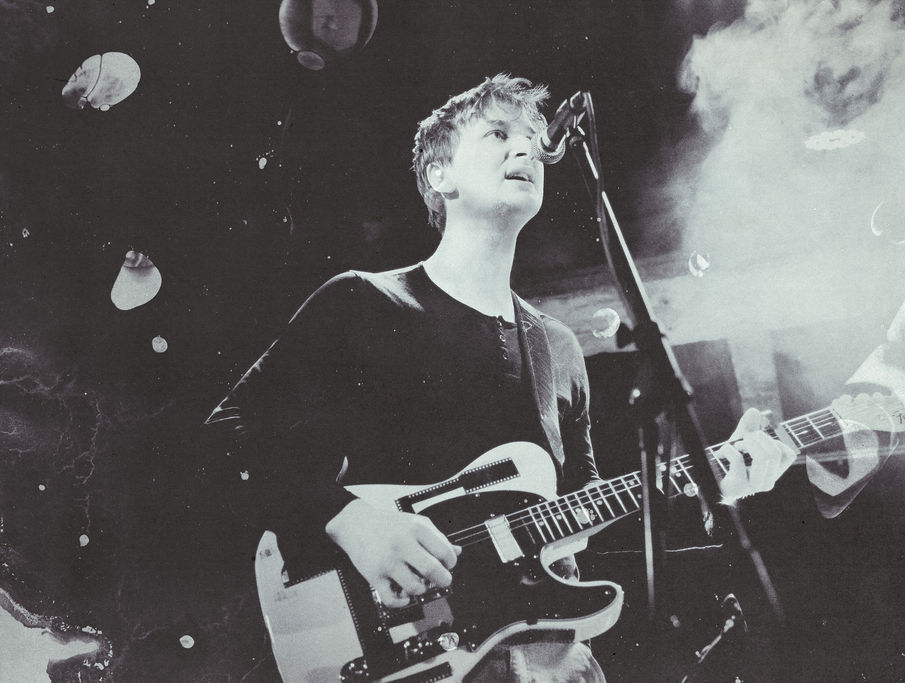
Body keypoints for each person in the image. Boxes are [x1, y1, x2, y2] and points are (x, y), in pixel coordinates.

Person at [204, 74, 794, 682]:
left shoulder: (558, 348)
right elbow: (226, 435)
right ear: (440, 175)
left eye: (535, 137)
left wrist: (709, 480)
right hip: (399, 650)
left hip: (548, 660)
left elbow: (577, 517)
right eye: (497, 133)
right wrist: (350, 521)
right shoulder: (364, 301)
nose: (527, 147)